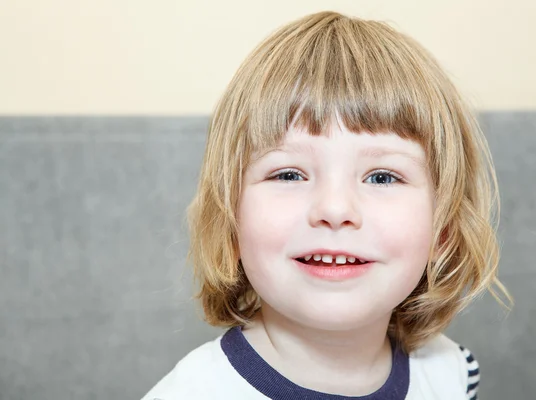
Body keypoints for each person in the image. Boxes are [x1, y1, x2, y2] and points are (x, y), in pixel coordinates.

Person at [142, 11, 511, 400]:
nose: (335, 210)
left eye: (383, 177)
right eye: (288, 174)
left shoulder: (451, 374)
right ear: (231, 222)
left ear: (445, 230)